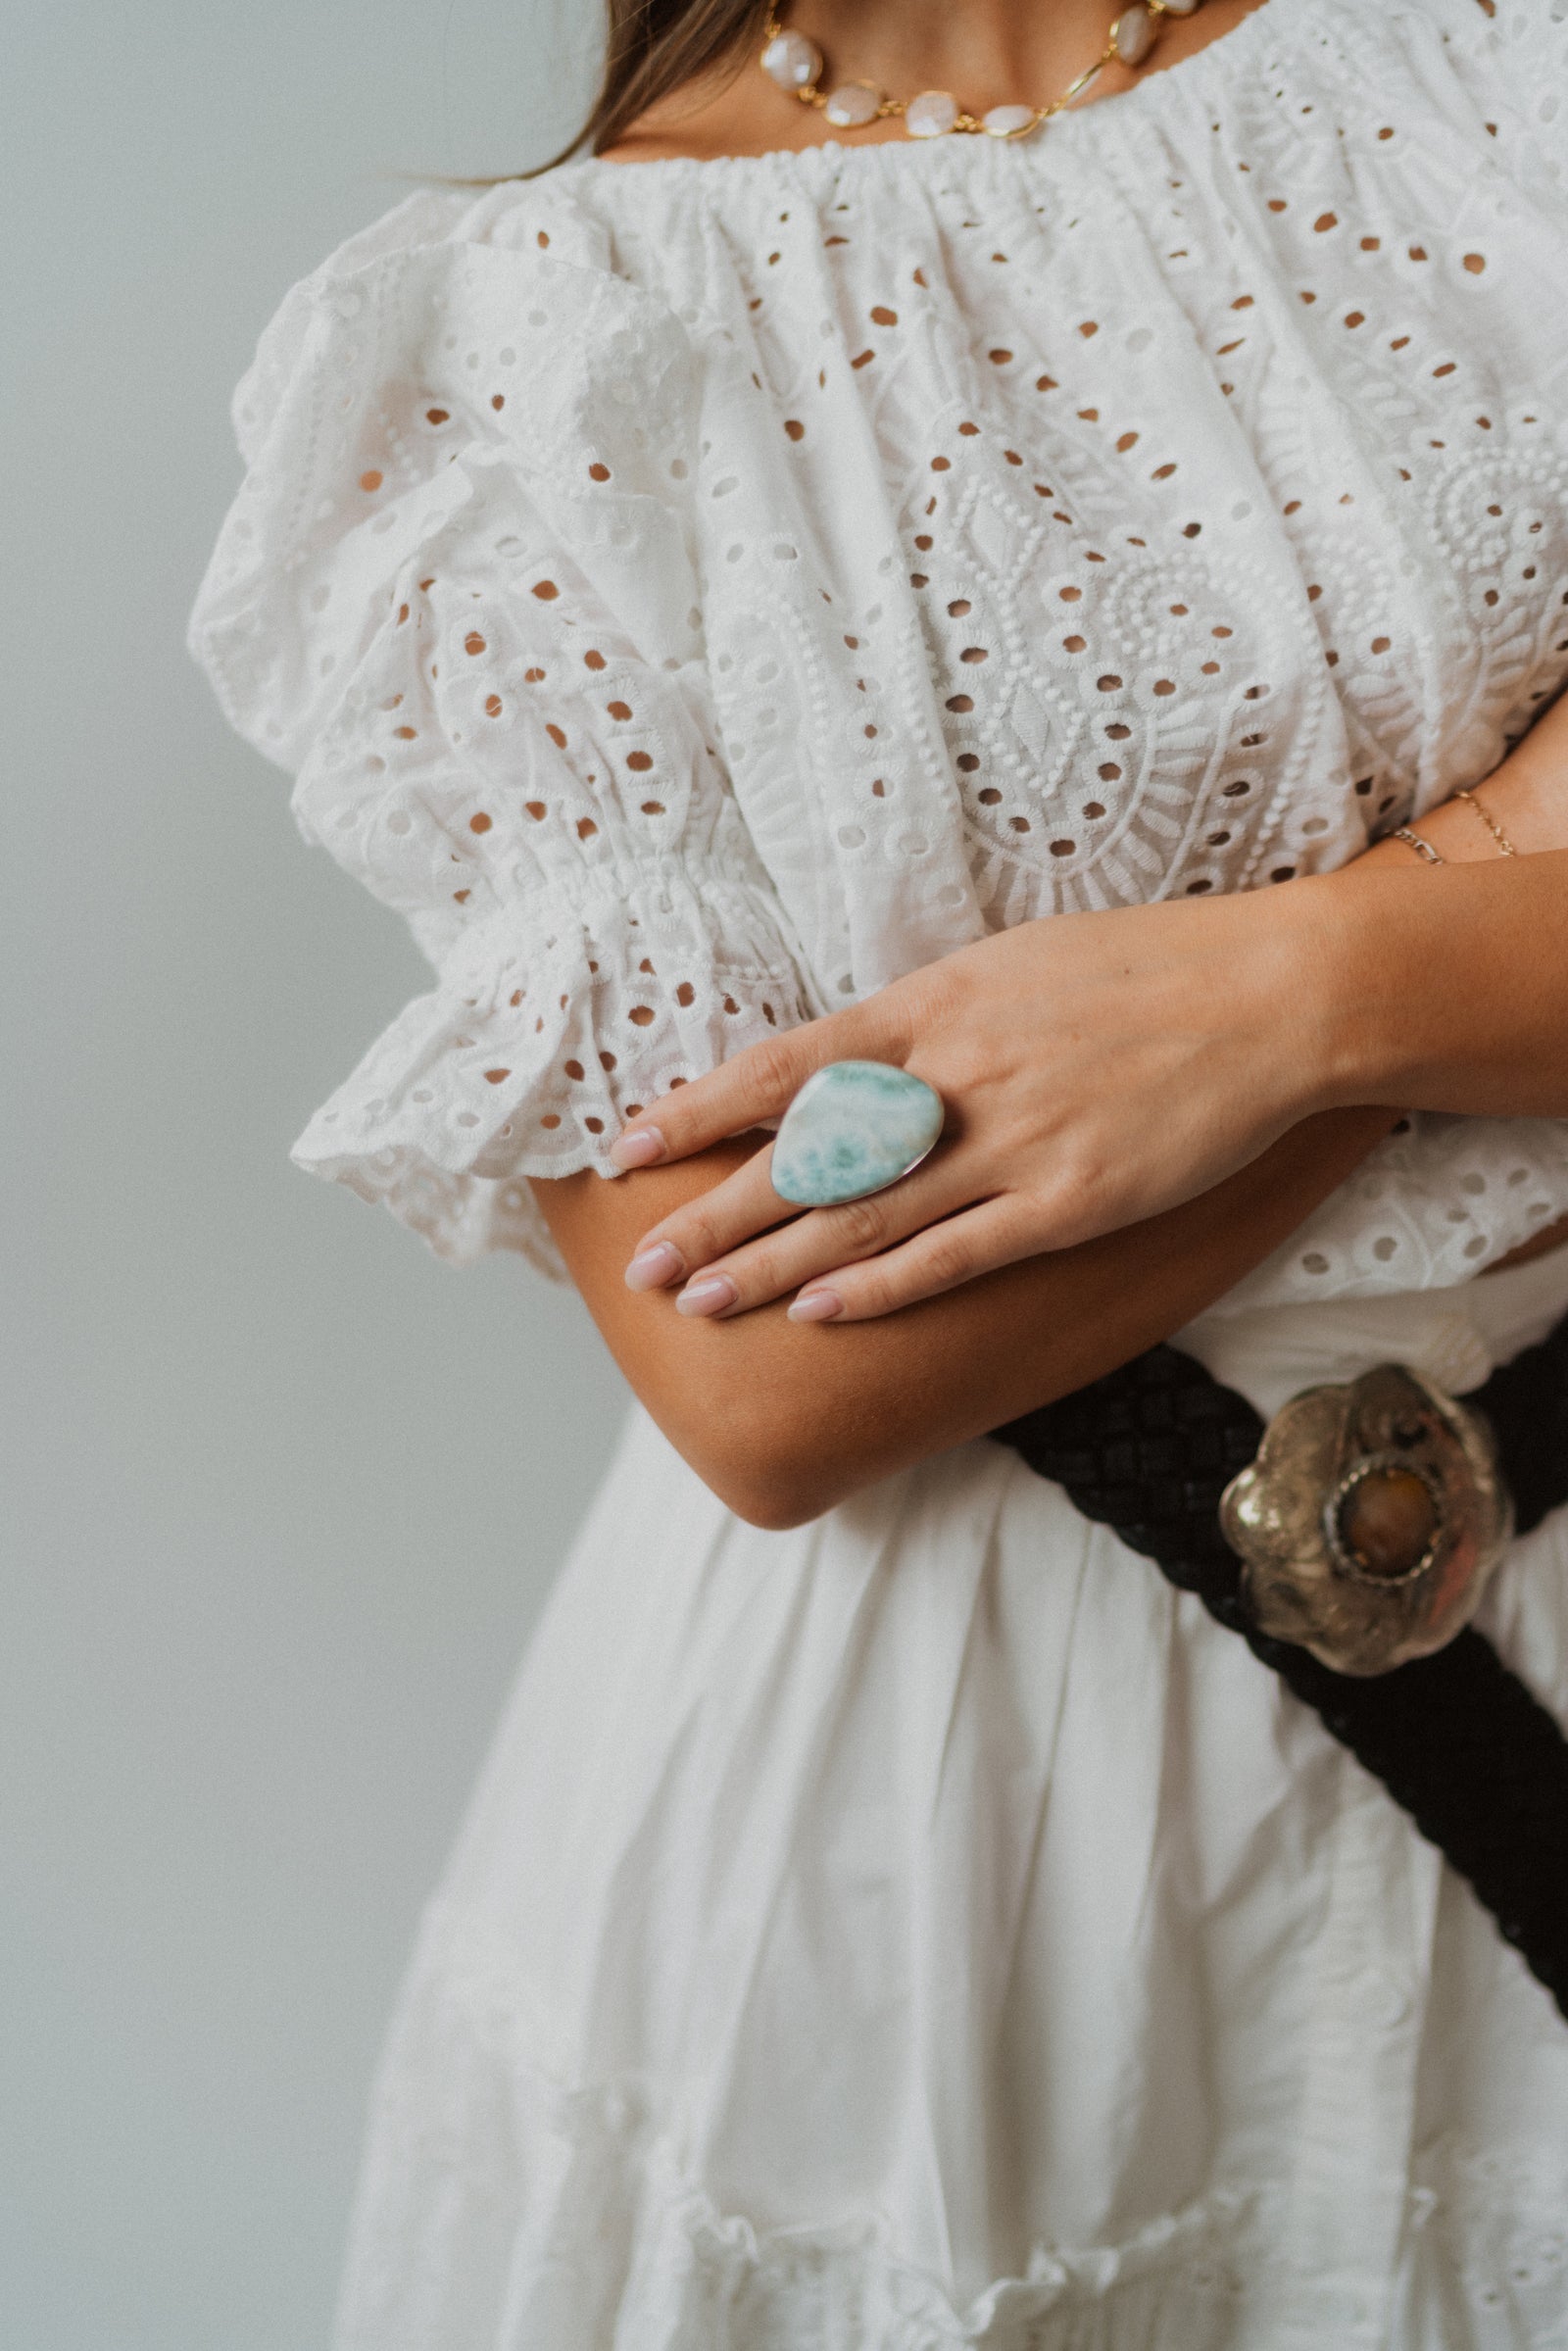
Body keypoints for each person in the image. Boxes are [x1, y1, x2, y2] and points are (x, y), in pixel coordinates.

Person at [190, 0, 1568, 2340]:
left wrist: (1277, 1009)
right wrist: (1485, 892)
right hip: (965, 1825)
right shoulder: (520, 351)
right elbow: (768, 1386)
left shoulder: (1494, 75)